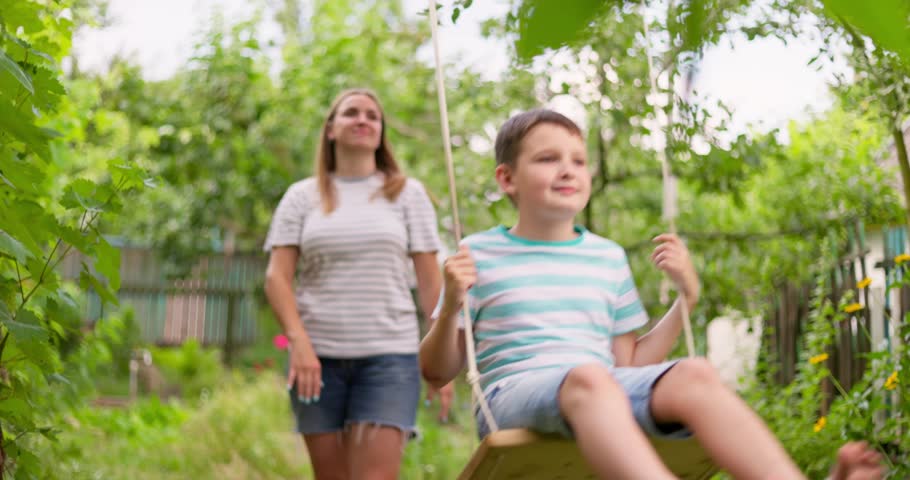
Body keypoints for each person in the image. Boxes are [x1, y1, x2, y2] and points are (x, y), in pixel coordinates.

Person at [419, 109, 883, 480]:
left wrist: (686, 300)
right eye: (547, 159)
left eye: (578, 160)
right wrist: (452, 305)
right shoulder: (477, 254)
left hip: (596, 388)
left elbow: (628, 367)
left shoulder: (606, 257)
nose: (567, 170)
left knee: (695, 374)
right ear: (507, 179)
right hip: (512, 396)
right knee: (589, 377)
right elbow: (435, 369)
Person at [264, 88, 452, 480]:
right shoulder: (302, 197)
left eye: (373, 115)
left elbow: (431, 283)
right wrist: (299, 343)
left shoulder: (406, 194)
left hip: (389, 359)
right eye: (351, 113)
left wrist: (441, 362)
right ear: (331, 129)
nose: (363, 120)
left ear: (381, 132)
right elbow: (277, 278)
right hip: (316, 361)